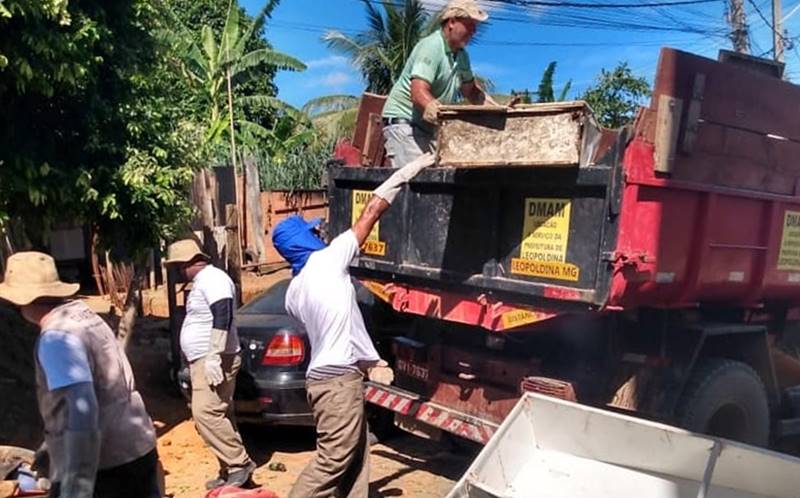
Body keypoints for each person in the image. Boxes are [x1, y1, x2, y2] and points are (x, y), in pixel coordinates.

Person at [272, 152, 435, 498]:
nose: (318, 232)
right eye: (311, 232)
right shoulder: (328, 260)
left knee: (357, 454)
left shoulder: (293, 293)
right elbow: (372, 211)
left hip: (321, 381)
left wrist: (369, 361)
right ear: (301, 242)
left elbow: (340, 323)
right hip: (336, 381)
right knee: (335, 459)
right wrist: (410, 169)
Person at [0, 251, 160, 498]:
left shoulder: (56, 339)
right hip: (137, 446)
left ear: (22, 300)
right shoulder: (83, 314)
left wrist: (77, 487)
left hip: (107, 465)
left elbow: (81, 412)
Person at [163, 240, 255, 490]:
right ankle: (231, 470)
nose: (179, 273)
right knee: (221, 414)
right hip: (206, 357)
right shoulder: (205, 281)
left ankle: (239, 464)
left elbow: (223, 313)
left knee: (206, 414)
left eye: (179, 267)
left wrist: (214, 354)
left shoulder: (213, 278)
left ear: (190, 263)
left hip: (215, 358)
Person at [381, 0, 501, 168]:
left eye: (475, 27)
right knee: (417, 182)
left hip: (427, 128)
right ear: (452, 22)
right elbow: (417, 93)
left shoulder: (462, 56)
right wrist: (446, 117)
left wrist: (499, 111)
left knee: (442, 177)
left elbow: (472, 92)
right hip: (405, 124)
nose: (473, 31)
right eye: (469, 25)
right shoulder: (431, 46)